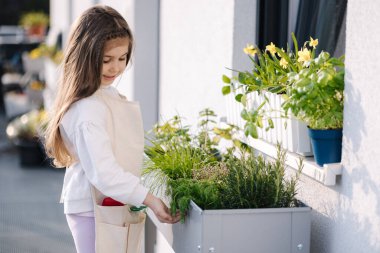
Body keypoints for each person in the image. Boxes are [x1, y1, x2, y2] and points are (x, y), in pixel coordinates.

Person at [44, 5, 180, 253]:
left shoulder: (102, 95)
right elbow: (105, 173)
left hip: (103, 204)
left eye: (122, 58)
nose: (115, 68)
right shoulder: (88, 109)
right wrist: (150, 199)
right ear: (86, 55)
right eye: (106, 60)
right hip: (93, 208)